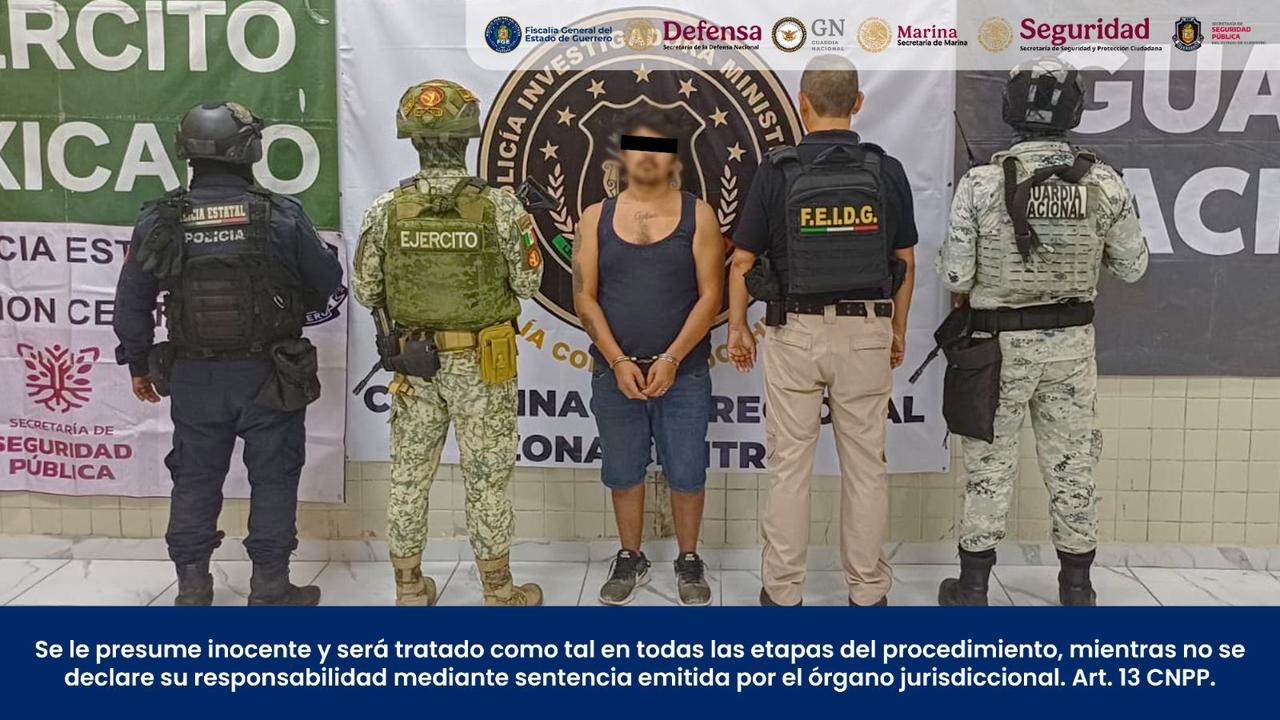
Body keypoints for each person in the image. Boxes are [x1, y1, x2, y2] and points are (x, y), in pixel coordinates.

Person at [936, 58, 1149, 606]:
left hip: (995, 351)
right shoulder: (1103, 181)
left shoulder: (981, 183)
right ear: (1074, 110)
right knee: (1073, 465)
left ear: (1011, 108)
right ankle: (1077, 588)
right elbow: (1132, 267)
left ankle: (973, 589)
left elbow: (955, 276)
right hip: (1070, 349)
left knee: (988, 468)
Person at [113, 101, 343, 606]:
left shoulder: (160, 219)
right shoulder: (280, 214)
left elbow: (131, 301)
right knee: (274, 477)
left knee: (193, 478)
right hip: (270, 375)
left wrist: (138, 363)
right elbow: (328, 281)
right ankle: (270, 587)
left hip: (194, 378)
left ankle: (193, 589)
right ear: (248, 150)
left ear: (187, 151)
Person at [727, 54, 918, 607]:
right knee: (866, 468)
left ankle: (783, 593)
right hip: (866, 333)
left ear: (803, 103)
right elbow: (906, 261)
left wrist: (738, 327)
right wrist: (896, 330)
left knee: (789, 468)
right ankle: (868, 593)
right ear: (857, 103)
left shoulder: (777, 170)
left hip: (794, 333)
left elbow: (743, 261)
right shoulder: (885, 170)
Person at [352, 80, 544, 606]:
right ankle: (499, 591)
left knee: (408, 479)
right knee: (487, 480)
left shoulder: (386, 208)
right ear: (467, 138)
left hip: (414, 365)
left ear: (413, 140)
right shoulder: (501, 208)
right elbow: (528, 283)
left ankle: (409, 587)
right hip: (483, 365)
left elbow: (365, 289)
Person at [573, 108, 723, 606]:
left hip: (684, 373)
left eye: (657, 147)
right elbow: (584, 296)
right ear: (621, 156)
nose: (646, 157)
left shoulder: (699, 215)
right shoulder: (595, 217)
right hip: (614, 373)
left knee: (687, 471)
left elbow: (711, 296)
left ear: (673, 158)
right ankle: (630, 556)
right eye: (636, 146)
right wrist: (617, 360)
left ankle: (688, 559)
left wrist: (673, 358)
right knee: (623, 471)